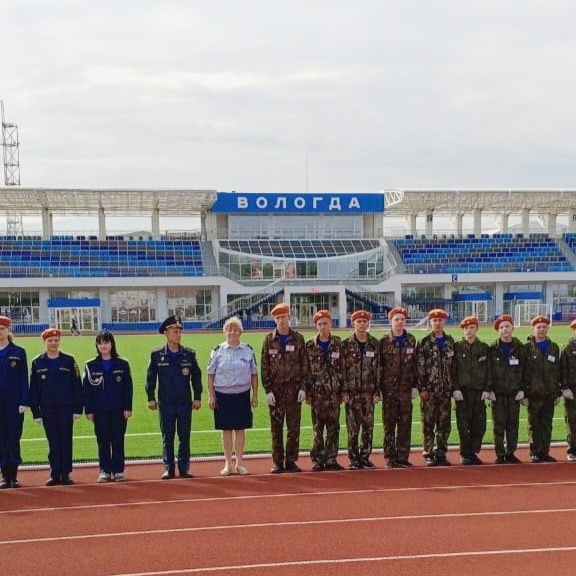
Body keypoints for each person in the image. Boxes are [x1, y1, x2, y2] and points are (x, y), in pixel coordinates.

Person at [146, 315, 202, 479]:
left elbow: (196, 377)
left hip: (184, 402)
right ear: (166, 333)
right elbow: (150, 377)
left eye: (179, 331)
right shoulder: (156, 355)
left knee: (184, 436)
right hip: (166, 403)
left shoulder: (189, 354)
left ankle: (184, 468)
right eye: (174, 331)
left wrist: (197, 396)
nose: (178, 334)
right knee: (168, 437)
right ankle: (169, 468)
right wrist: (150, 397)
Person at [29, 328, 83, 486]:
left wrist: (78, 409)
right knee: (52, 442)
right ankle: (55, 473)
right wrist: (36, 412)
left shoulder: (69, 360)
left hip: (66, 408)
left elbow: (76, 386)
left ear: (59, 341)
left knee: (66, 440)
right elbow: (34, 390)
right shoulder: (37, 362)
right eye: (50, 341)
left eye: (56, 340)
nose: (53, 343)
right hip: (47, 408)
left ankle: (65, 473)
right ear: (44, 342)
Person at [261, 303, 310, 473]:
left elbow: (305, 365)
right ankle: (277, 461)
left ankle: (290, 460)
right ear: (275, 319)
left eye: (284, 317)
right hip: (275, 391)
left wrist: (303, 388)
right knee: (276, 428)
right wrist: (267, 390)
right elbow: (265, 367)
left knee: (293, 428)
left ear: (290, 317)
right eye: (278, 318)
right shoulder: (269, 340)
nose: (281, 320)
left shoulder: (298, 339)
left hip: (294, 390)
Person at [207, 316, 258, 476]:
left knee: (241, 430)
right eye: (229, 329)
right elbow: (210, 374)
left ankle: (240, 463)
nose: (232, 332)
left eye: (235, 329)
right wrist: (211, 395)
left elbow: (254, 374)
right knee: (226, 431)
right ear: (225, 332)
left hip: (242, 394)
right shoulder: (217, 351)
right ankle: (228, 463)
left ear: (240, 332)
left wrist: (255, 394)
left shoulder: (248, 350)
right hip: (223, 395)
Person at [83, 331, 133, 482]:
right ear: (97, 345)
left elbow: (128, 388)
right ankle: (104, 470)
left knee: (118, 440)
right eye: (100, 343)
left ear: (112, 344)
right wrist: (89, 410)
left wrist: (128, 407)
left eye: (106, 342)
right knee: (103, 441)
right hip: (100, 411)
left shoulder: (122, 364)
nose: (103, 346)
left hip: (118, 409)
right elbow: (87, 390)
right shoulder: (90, 365)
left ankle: (118, 470)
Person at [305, 309, 345, 471]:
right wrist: (307, 392)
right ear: (316, 326)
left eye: (325, 323)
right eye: (320, 324)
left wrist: (344, 391)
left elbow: (344, 368)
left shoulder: (338, 344)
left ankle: (331, 459)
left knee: (334, 428)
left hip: (334, 393)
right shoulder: (309, 345)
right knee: (318, 428)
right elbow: (305, 370)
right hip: (316, 394)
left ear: (331, 324)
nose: (323, 326)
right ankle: (318, 460)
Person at [379, 307, 418, 469]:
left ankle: (403, 456)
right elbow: (378, 367)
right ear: (391, 322)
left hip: (406, 390)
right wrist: (378, 388)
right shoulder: (383, 341)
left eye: (402, 319)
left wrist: (415, 385)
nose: (400, 322)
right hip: (389, 391)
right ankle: (390, 457)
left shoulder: (411, 340)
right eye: (397, 319)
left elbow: (416, 365)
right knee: (389, 425)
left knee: (405, 424)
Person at [416, 308, 455, 466]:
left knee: (444, 423)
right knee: (428, 423)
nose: (437, 323)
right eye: (434, 321)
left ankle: (441, 453)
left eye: (440, 320)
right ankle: (429, 453)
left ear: (444, 322)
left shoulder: (450, 341)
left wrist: (453, 387)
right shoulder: (424, 343)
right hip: (429, 391)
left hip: (445, 391)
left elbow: (454, 367)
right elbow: (419, 368)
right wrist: (422, 388)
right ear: (430, 322)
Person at [342, 310, 381, 469]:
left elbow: (379, 369)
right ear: (353, 323)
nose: (362, 324)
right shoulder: (345, 344)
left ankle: (365, 457)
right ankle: (353, 459)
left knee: (368, 427)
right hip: (351, 394)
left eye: (365, 321)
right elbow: (342, 370)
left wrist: (377, 391)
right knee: (352, 428)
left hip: (368, 393)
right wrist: (343, 391)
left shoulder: (375, 344)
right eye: (359, 321)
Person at [487, 314, 527, 464]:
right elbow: (488, 371)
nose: (504, 329)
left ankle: (511, 452)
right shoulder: (492, 349)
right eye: (501, 327)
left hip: (514, 394)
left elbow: (525, 371)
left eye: (507, 326)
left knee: (513, 424)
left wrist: (523, 390)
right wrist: (489, 389)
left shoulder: (520, 348)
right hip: (497, 394)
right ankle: (500, 453)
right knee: (499, 425)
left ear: (512, 328)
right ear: (498, 330)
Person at [452, 315, 491, 465]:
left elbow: (489, 370)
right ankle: (466, 454)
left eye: (472, 327)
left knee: (479, 425)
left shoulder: (484, 348)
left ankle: (473, 451)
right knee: (463, 425)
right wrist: (455, 389)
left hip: (479, 393)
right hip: (462, 393)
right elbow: (452, 370)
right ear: (463, 330)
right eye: (466, 328)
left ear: (477, 329)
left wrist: (487, 388)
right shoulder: (457, 347)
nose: (469, 330)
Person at [524, 315, 561, 463]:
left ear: (548, 329)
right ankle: (534, 452)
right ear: (533, 329)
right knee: (534, 424)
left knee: (547, 424)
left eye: (544, 327)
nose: (541, 330)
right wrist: (524, 393)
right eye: (538, 327)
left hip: (549, 393)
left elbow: (558, 371)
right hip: (533, 393)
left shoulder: (554, 347)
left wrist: (558, 392)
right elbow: (523, 372)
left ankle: (544, 451)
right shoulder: (526, 348)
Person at [0, 316, 29, 489]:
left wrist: (24, 400)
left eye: (2, 329)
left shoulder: (18, 352)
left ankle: (14, 475)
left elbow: (24, 378)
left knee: (14, 437)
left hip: (14, 403)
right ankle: (4, 475)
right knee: (0, 439)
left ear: (8, 331)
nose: (0, 333)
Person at [560, 318, 576, 461]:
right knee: (572, 422)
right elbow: (563, 370)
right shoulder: (567, 348)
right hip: (572, 390)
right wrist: (565, 387)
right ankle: (573, 450)